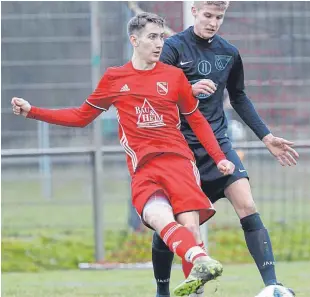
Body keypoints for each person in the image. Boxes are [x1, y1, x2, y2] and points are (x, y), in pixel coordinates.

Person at [11, 12, 236, 297]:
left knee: (189, 227)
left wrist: (219, 158)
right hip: (143, 169)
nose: (159, 44)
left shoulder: (174, 76)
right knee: (158, 218)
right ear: (134, 40)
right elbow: (81, 116)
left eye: (162, 38)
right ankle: (200, 261)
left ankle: (196, 279)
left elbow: (196, 120)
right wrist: (33, 111)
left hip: (178, 162)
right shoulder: (115, 79)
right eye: (152, 37)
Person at [151, 2, 299, 297]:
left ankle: (272, 284)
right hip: (181, 151)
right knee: (172, 224)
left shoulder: (229, 53)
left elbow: (240, 97)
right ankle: (163, 291)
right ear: (194, 11)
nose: (213, 22)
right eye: (208, 15)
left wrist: (266, 136)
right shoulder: (173, 48)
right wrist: (188, 89)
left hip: (218, 145)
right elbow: (156, 90)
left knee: (247, 204)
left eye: (219, 17)